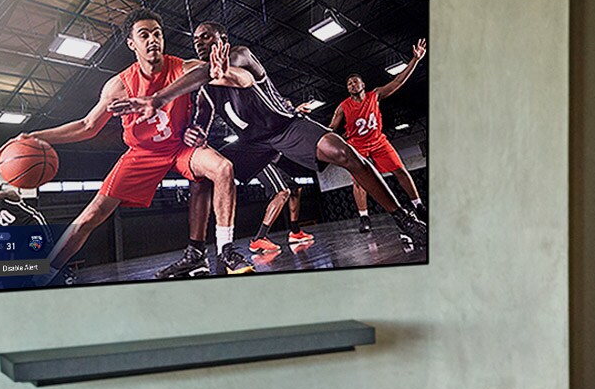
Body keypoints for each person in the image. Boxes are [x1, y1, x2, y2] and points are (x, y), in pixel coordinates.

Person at [116, 20, 426, 272]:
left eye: (207, 37)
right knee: (203, 175)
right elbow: (202, 114)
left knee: (344, 153)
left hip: (286, 127)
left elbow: (230, 75)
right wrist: (195, 133)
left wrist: (174, 92)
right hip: (252, 143)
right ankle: (196, 251)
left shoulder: (240, 55)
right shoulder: (204, 85)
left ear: (221, 38)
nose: (200, 42)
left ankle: (403, 218)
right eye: (196, 39)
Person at [0, 7, 251, 284]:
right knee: (90, 217)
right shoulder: (119, 85)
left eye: (157, 34)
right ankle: (42, 275)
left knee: (223, 168)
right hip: (142, 154)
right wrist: (36, 136)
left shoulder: (182, 67)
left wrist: (220, 72)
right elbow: (87, 126)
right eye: (144, 35)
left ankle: (225, 250)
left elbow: (230, 76)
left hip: (179, 148)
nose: (153, 39)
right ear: (132, 43)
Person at [330, 39, 427, 220]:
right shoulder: (342, 107)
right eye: (349, 84)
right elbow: (330, 129)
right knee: (358, 182)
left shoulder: (375, 95)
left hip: (378, 142)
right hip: (357, 146)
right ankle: (364, 217)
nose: (352, 85)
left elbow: (398, 81)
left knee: (400, 170)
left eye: (355, 82)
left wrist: (415, 60)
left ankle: (418, 205)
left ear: (363, 85)